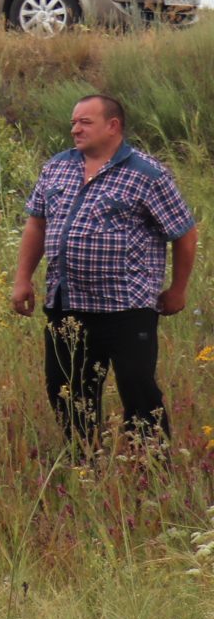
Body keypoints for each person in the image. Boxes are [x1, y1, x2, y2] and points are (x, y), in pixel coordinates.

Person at [11, 93, 198, 445]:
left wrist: (178, 289)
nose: (75, 129)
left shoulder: (147, 174)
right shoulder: (57, 167)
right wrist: (22, 279)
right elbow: (37, 223)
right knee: (66, 390)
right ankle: (84, 461)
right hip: (67, 303)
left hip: (126, 307)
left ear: (113, 126)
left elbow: (184, 233)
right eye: (73, 122)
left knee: (139, 391)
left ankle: (150, 468)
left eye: (85, 122)